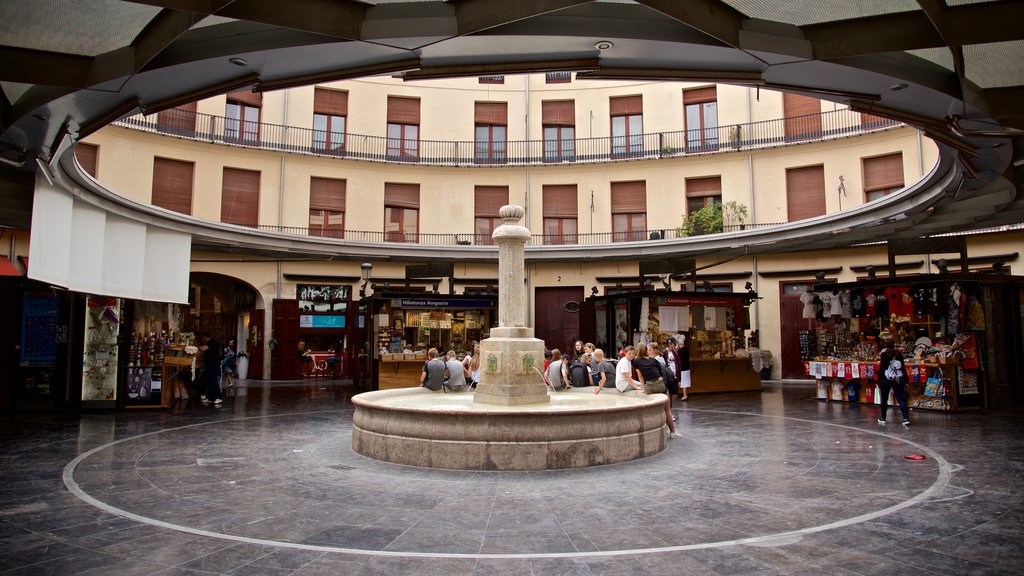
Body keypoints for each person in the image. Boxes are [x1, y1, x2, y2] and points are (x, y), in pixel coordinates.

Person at [633, 343, 681, 439]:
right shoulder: (653, 360)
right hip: (660, 386)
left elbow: (640, 377)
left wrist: (644, 388)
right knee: (667, 410)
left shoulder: (636, 361)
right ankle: (673, 432)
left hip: (649, 386)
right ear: (646, 350)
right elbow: (660, 373)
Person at [878, 338, 911, 426]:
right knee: (901, 398)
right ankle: (905, 418)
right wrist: (906, 380)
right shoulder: (898, 354)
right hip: (897, 378)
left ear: (885, 346)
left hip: (886, 378)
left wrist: (879, 379)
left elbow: (881, 368)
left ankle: (883, 417)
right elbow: (903, 368)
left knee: (884, 398)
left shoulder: (884, 354)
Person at [198, 333, 223, 405]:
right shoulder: (213, 342)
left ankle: (218, 397)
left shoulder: (211, 342)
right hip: (210, 363)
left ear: (205, 337)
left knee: (213, 380)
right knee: (208, 380)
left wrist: (195, 347)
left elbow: (203, 348)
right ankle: (210, 397)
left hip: (212, 363)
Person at [675, 335, 691, 401]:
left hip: (682, 368)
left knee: (683, 382)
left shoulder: (680, 351)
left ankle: (685, 395)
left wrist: (676, 349)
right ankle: (686, 395)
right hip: (687, 367)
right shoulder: (687, 349)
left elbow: (678, 359)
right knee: (686, 382)